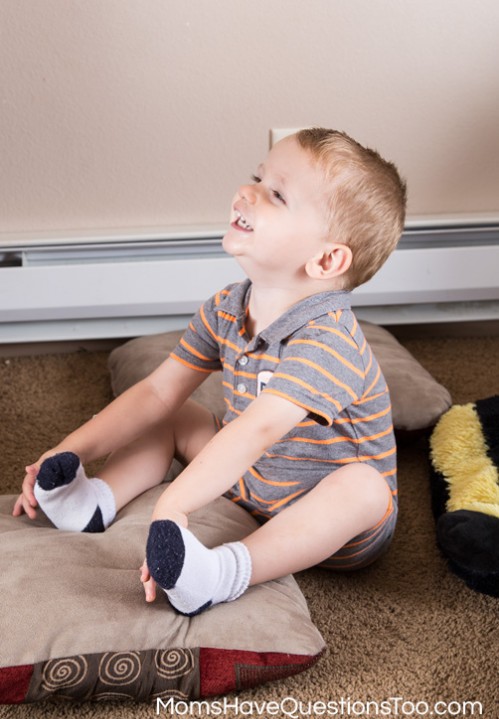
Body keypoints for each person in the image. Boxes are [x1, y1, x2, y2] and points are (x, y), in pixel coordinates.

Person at [14, 128, 407, 617]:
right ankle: (94, 501)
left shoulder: (329, 342)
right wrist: (70, 448)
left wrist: (174, 507)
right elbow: (158, 392)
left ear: (326, 259)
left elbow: (257, 429)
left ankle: (222, 573)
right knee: (176, 413)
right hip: (251, 482)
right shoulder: (225, 307)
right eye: (257, 178)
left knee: (364, 489)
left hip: (335, 521)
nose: (247, 193)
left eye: (277, 195)